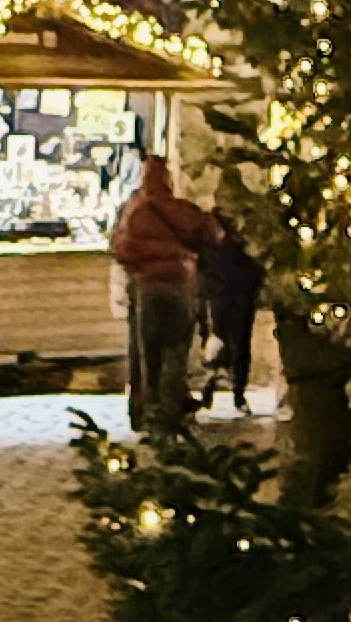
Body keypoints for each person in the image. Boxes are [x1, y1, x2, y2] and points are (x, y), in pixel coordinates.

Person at [108, 153, 219, 440]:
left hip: (147, 290)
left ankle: (149, 413)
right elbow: (210, 233)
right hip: (180, 287)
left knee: (148, 355)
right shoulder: (178, 210)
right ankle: (170, 415)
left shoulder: (134, 210)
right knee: (176, 353)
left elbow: (120, 248)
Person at [193, 212, 265, 418]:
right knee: (237, 346)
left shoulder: (210, 244)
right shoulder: (242, 243)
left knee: (217, 344)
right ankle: (234, 393)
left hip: (220, 299)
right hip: (236, 299)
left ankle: (213, 390)